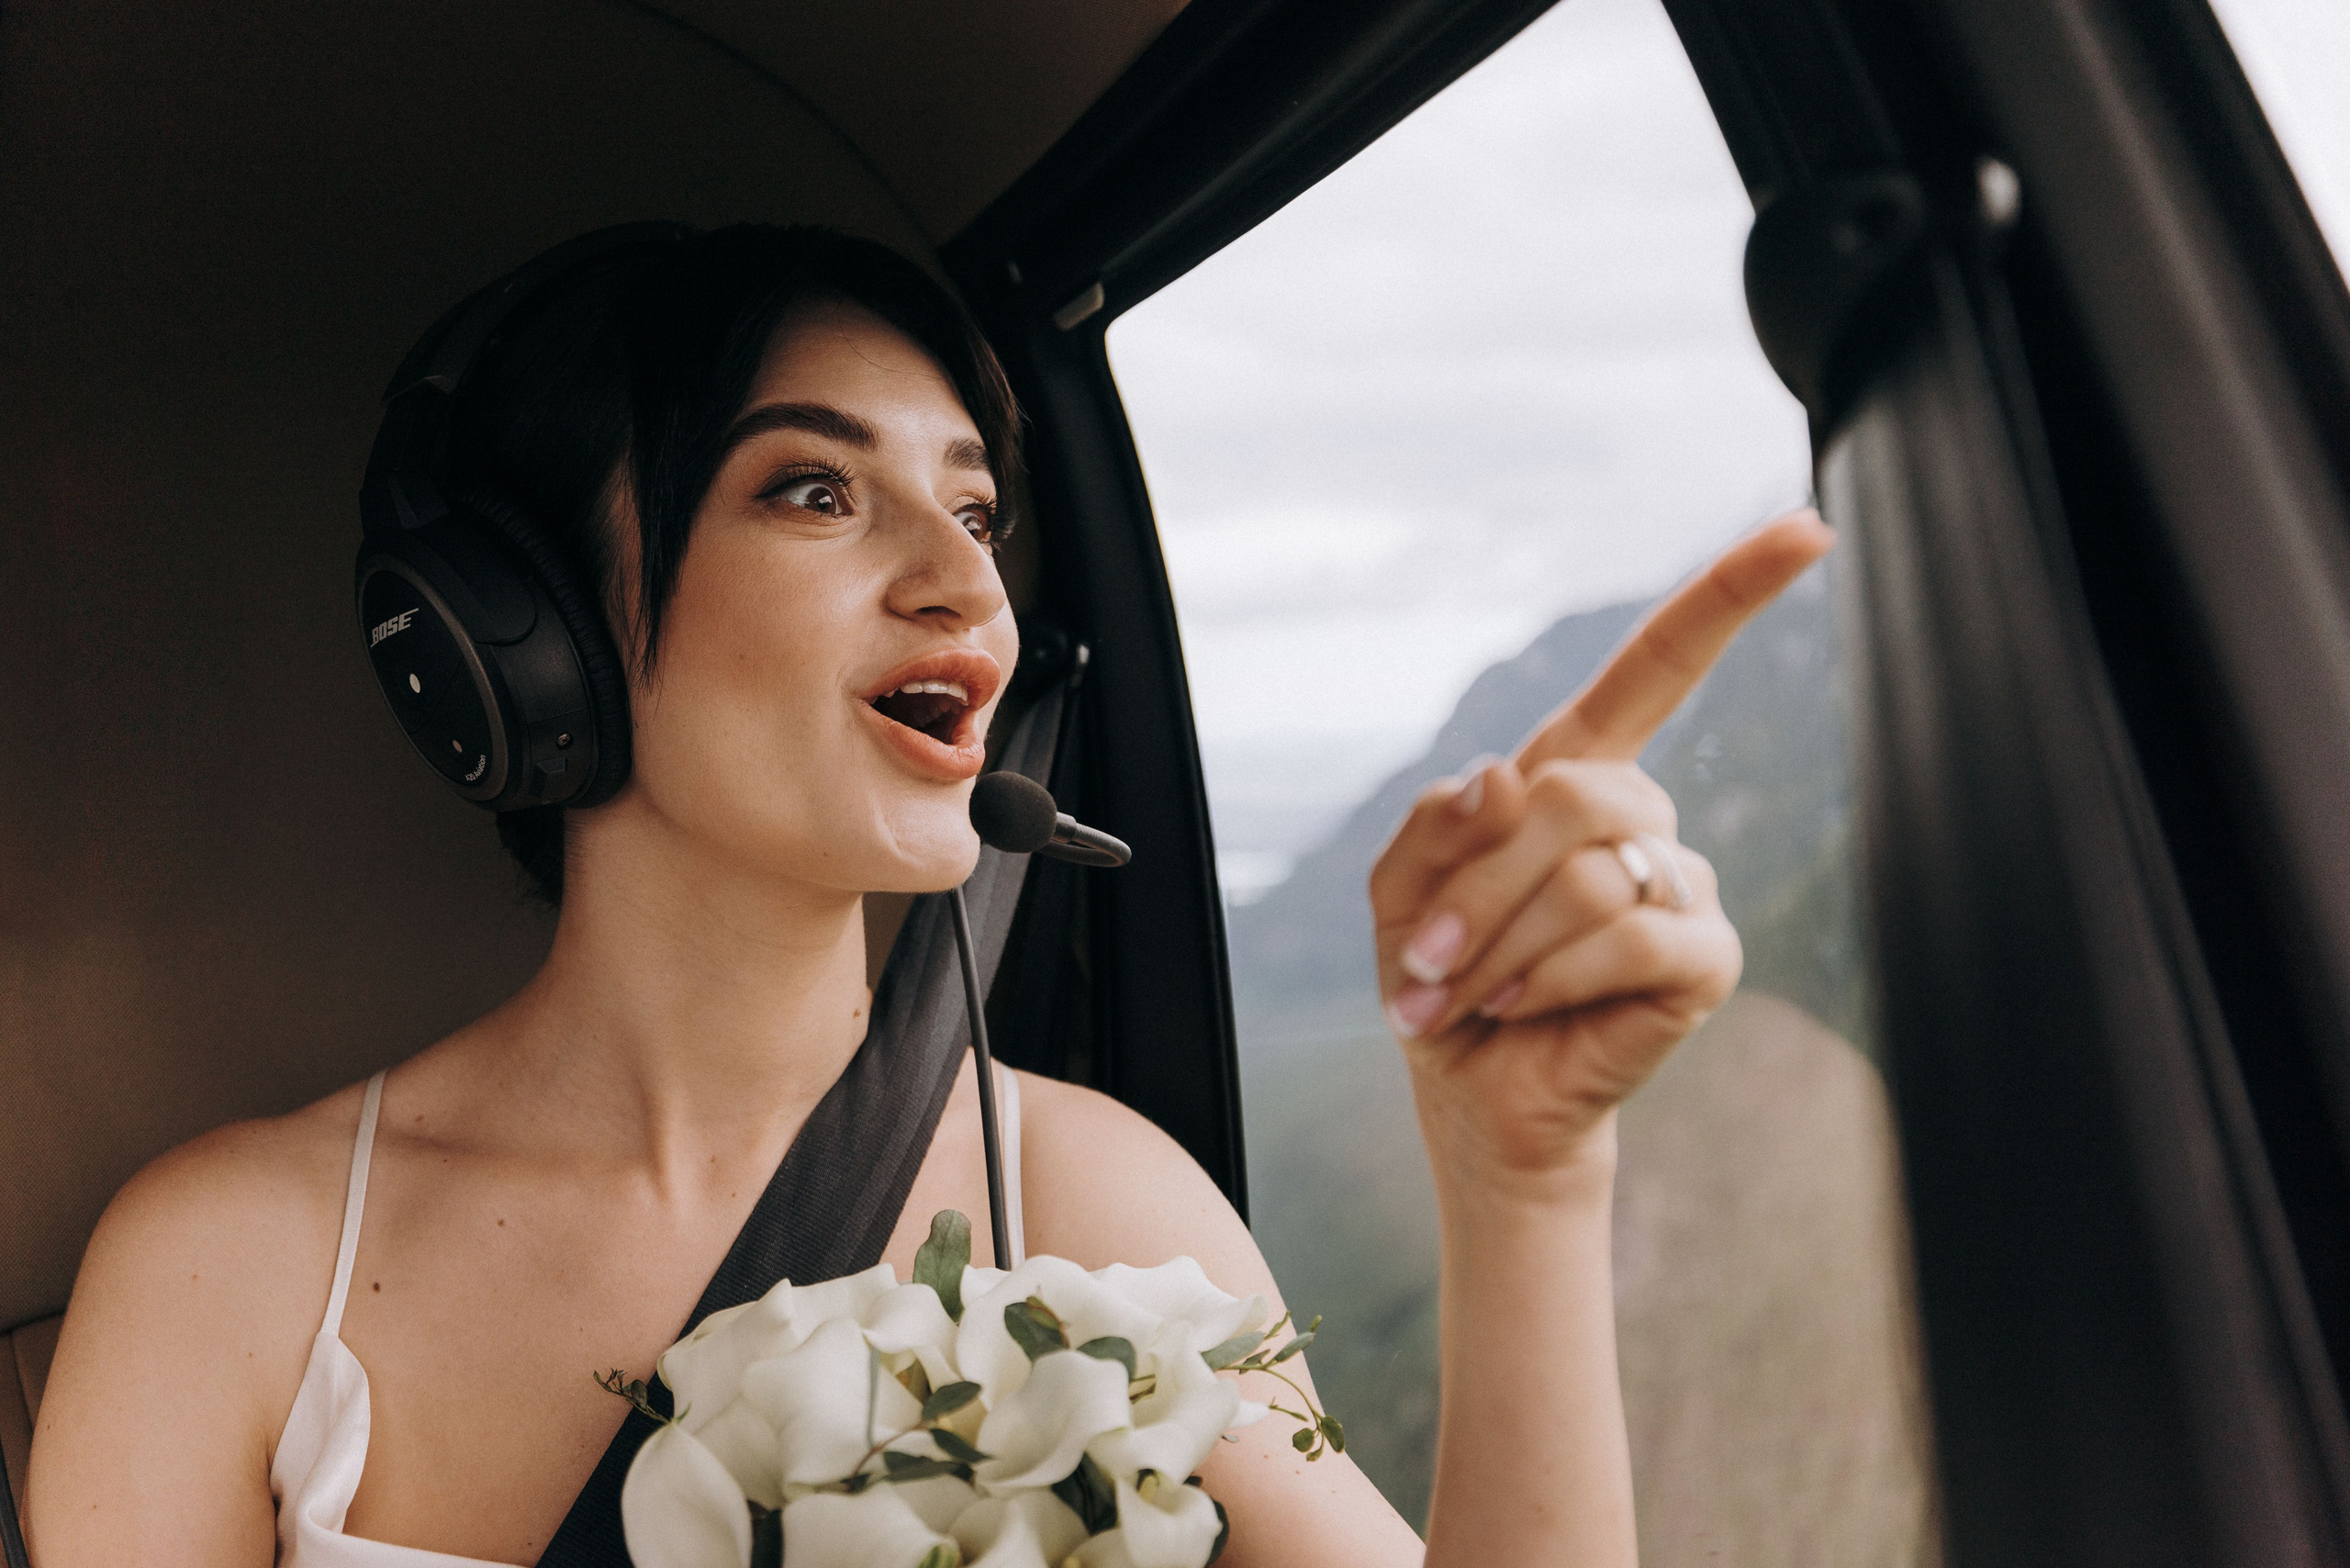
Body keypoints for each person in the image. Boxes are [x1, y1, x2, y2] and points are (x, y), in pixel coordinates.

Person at [24, 224, 1831, 1566]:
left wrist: (1518, 1176)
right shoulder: (229, 1263)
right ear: (526, 636)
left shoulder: (1102, 1196)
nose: (960, 583)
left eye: (972, 511)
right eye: (812, 488)